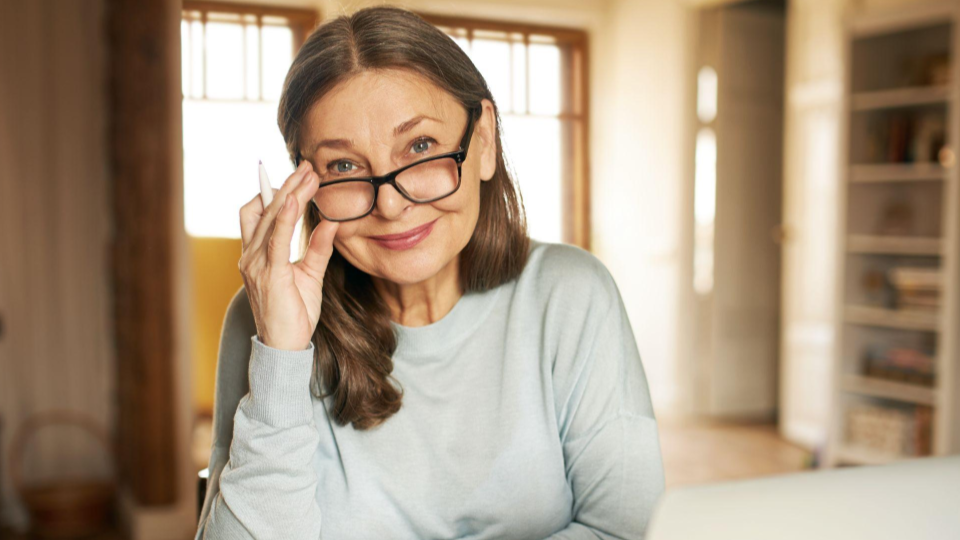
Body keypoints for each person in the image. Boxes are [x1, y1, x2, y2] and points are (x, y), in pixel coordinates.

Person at [195, 5, 664, 539]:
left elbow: (627, 530)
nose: (391, 206)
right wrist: (280, 356)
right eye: (344, 167)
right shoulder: (266, 321)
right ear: (304, 186)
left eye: (420, 146)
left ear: (482, 141)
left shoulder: (572, 295)